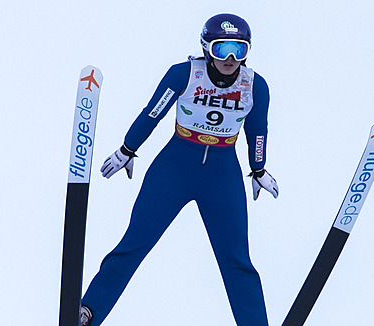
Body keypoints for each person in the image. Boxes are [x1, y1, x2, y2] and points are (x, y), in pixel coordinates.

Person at [79, 13, 279, 326]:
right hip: (175, 167)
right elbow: (152, 113)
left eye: (238, 50)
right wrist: (128, 149)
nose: (229, 58)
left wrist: (259, 168)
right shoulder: (184, 74)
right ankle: (88, 311)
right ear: (206, 48)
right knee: (134, 242)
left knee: (237, 260)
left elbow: (258, 130)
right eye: (221, 48)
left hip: (222, 174)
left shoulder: (255, 85)